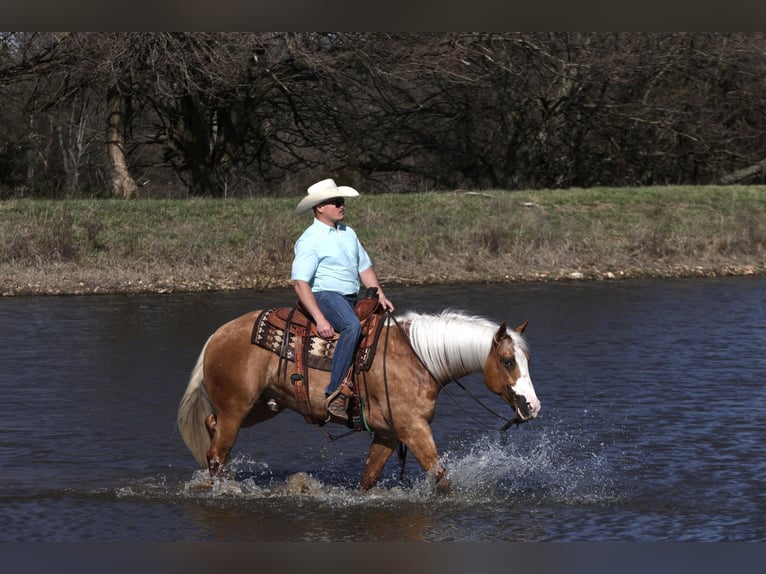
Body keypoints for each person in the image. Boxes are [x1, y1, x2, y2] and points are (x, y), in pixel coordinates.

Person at [291, 178, 395, 420]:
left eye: (342, 201)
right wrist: (320, 318)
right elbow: (300, 283)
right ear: (320, 208)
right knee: (350, 326)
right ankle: (335, 392)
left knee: (382, 328)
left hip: (350, 296)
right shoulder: (310, 239)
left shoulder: (349, 233)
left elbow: (364, 268)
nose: (342, 205)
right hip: (324, 294)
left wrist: (380, 294)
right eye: (336, 202)